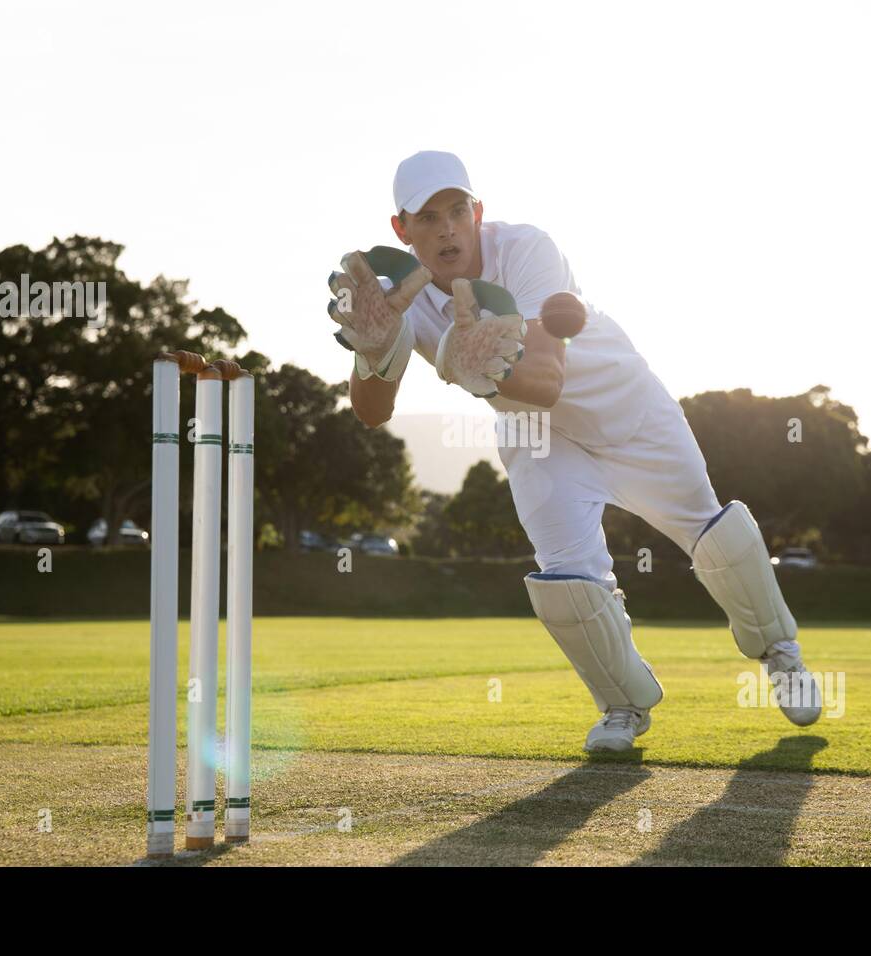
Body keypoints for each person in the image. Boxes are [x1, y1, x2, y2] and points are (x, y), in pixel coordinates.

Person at [327, 150, 821, 752]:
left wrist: (470, 365)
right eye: (427, 218)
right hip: (537, 437)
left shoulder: (530, 250)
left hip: (622, 405)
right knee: (567, 577)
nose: (447, 228)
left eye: (457, 210)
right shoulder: (393, 297)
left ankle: (781, 654)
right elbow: (372, 413)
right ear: (400, 229)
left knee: (708, 529)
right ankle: (623, 706)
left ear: (478, 211)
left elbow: (548, 381)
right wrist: (372, 354)